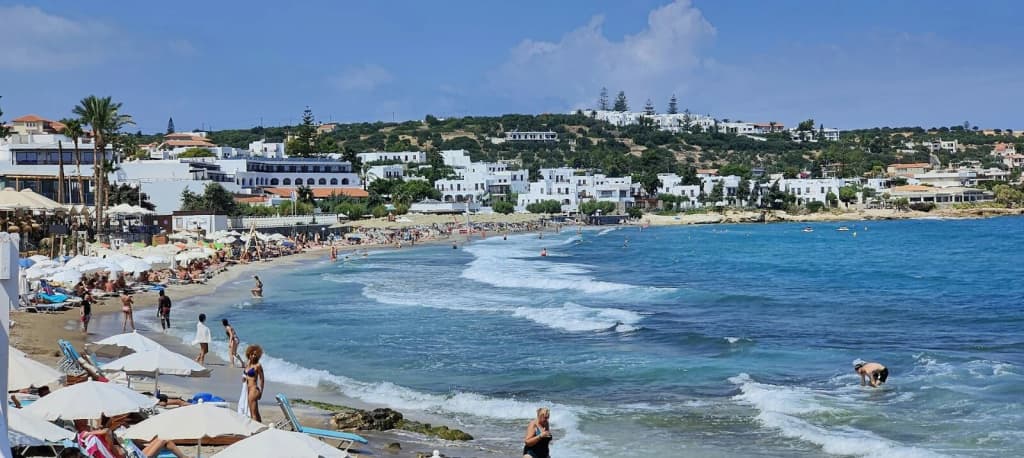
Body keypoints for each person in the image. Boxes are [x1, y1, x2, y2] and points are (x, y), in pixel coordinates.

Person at [238, 344, 265, 422]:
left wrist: (261, 392)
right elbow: (245, 376)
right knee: (256, 412)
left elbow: (262, 379)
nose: (253, 356)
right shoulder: (248, 364)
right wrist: (244, 378)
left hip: (253, 390)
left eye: (255, 355)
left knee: (252, 413)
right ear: (248, 354)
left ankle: (255, 430)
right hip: (247, 389)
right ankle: (261, 428)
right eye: (252, 354)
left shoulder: (258, 365)